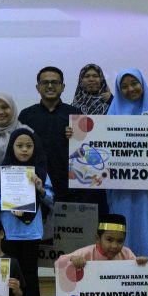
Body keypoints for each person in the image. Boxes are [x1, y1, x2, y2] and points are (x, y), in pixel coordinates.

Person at [0, 128, 52, 296]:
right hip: (9, 233)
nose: (24, 150)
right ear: (12, 148)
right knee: (11, 279)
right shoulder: (4, 173)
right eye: (20, 146)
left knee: (30, 279)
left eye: (29, 146)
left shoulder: (40, 172)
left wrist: (41, 189)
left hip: (31, 234)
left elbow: (51, 199)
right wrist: (9, 205)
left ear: (35, 148)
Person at [19, 66, 104, 212]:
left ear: (63, 87)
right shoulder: (26, 115)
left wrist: (78, 137)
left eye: (55, 82)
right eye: (45, 82)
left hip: (69, 186)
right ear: (38, 87)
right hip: (34, 185)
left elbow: (87, 151)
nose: (50, 86)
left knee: (69, 226)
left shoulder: (76, 115)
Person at [105, 68, 148, 259]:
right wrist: (76, 135)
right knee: (122, 222)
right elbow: (98, 146)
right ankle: (122, 262)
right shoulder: (111, 115)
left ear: (142, 84)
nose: (130, 89)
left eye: (134, 83)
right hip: (121, 186)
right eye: (124, 86)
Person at [58, 213, 148, 266]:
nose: (114, 246)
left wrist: (141, 262)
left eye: (120, 241)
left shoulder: (127, 254)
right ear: (98, 239)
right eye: (109, 240)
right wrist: (73, 259)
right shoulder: (87, 253)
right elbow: (60, 262)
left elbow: (137, 269)